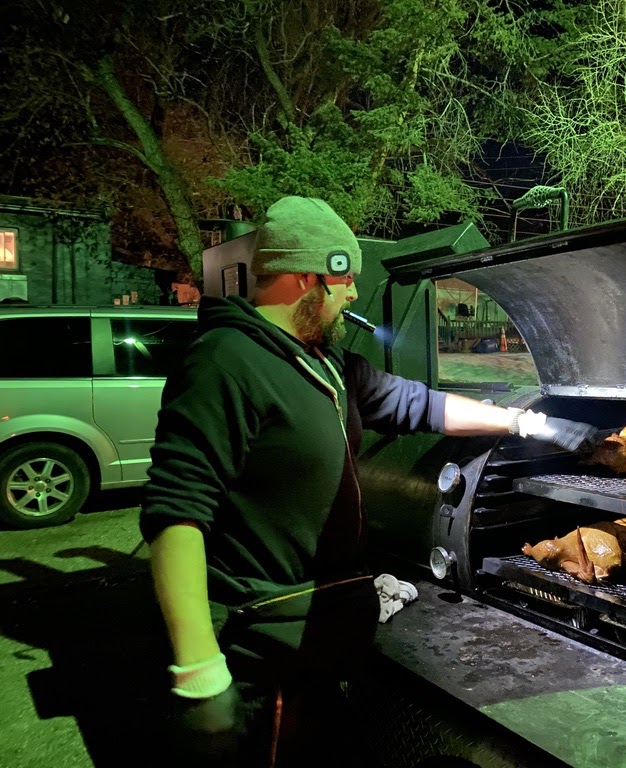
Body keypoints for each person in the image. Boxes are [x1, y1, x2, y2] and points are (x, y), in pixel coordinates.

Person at [139, 196, 597, 767]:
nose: (354, 293)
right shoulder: (224, 362)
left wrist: (526, 422)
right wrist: (200, 671)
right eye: (346, 279)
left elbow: (420, 404)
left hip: (318, 641)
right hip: (261, 653)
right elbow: (176, 513)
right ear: (308, 277)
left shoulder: (325, 363)